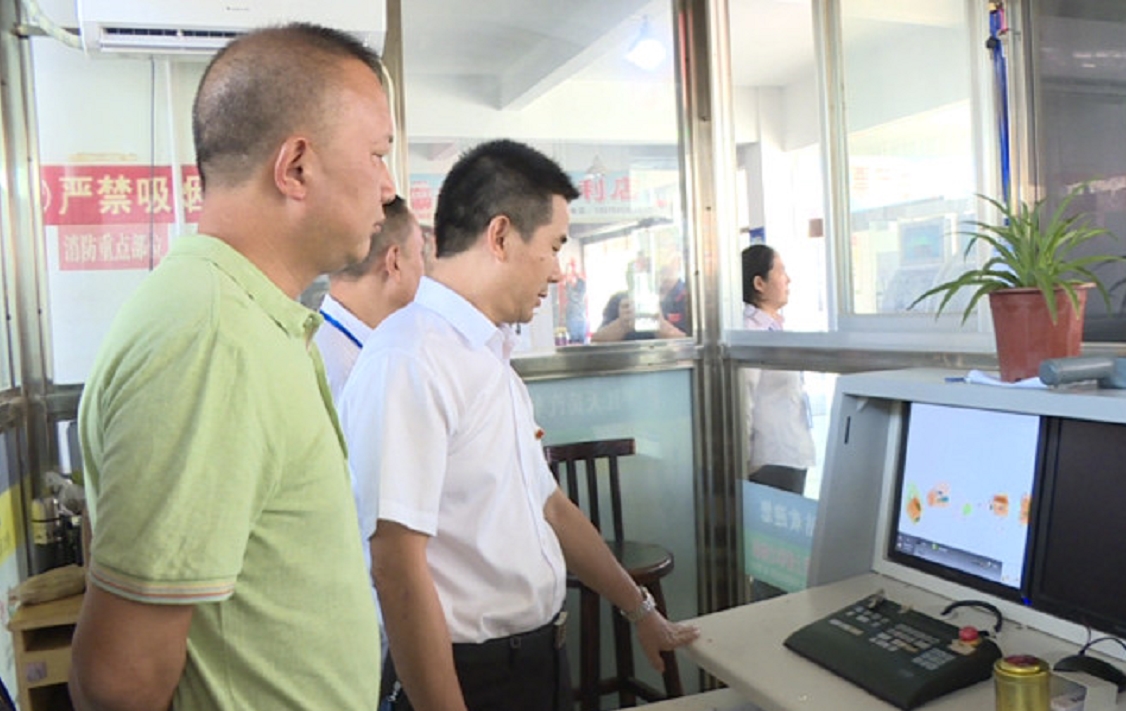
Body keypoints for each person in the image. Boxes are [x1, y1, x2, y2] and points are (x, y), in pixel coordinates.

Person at [69, 24, 394, 711]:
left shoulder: (243, 315)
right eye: (377, 155)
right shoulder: (213, 337)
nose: (390, 188)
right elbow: (122, 680)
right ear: (296, 167)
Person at [340, 139, 698, 711]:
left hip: (539, 663)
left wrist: (640, 610)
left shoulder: (488, 356)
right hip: (468, 678)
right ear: (501, 236)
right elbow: (396, 565)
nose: (557, 272)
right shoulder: (410, 359)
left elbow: (550, 507)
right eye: (553, 246)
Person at [741, 244, 816, 599]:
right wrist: (745, 459)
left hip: (789, 453)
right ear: (759, 283)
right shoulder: (750, 331)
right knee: (774, 565)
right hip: (769, 459)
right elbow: (743, 398)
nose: (788, 279)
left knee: (785, 560)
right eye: (781, 271)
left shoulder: (773, 327)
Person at [315, 195, 427, 402]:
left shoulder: (324, 346)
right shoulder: (348, 373)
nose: (424, 269)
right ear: (394, 262)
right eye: (420, 253)